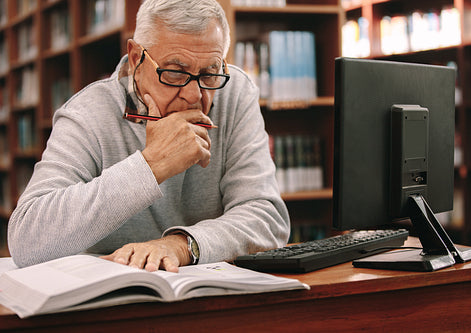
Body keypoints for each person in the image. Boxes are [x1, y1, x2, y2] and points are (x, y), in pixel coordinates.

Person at [8, 0, 290, 272]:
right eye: (175, 73)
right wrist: (151, 166)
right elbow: (26, 241)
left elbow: (266, 217)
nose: (194, 95)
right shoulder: (88, 113)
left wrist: (181, 246)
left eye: (208, 74)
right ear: (135, 59)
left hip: (211, 300)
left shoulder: (234, 92)